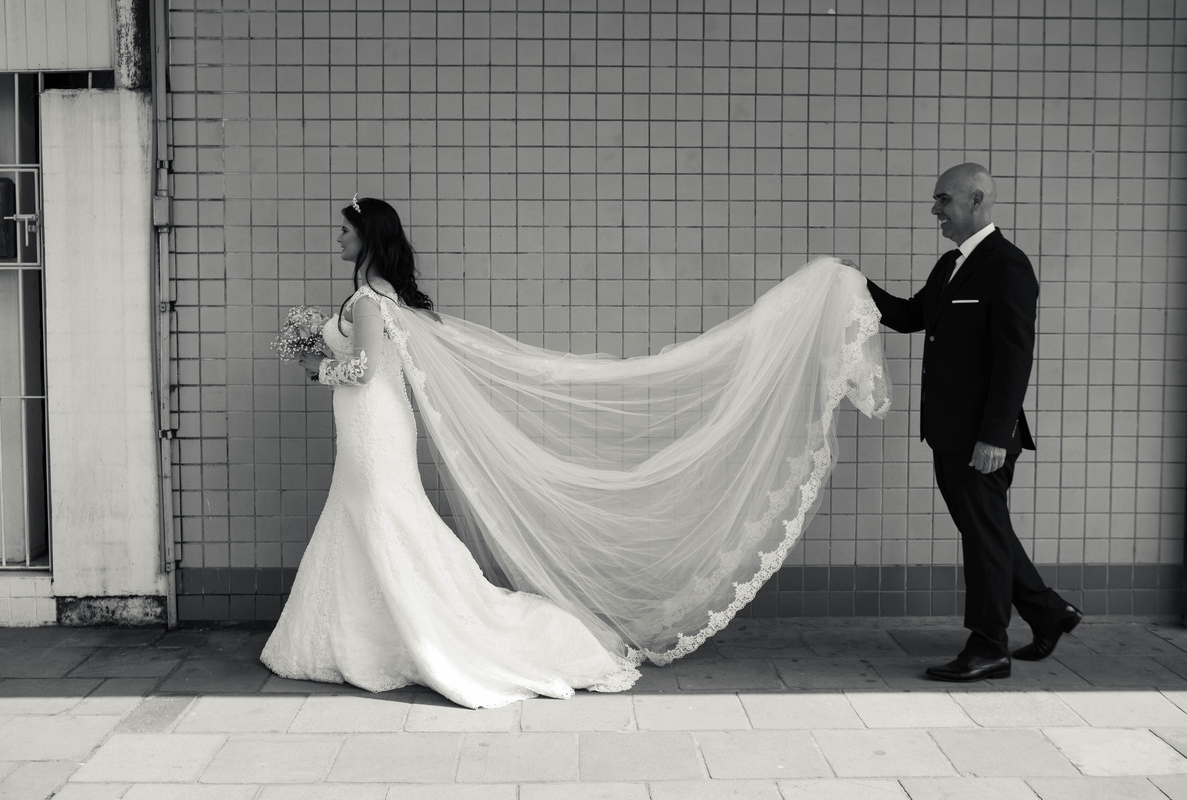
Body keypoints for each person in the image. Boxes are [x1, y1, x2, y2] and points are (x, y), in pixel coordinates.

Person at [260, 195, 892, 708]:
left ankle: (414, 634)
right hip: (372, 428)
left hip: (373, 428)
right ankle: (366, 635)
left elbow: (365, 370)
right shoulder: (383, 298)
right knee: (373, 521)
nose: (336, 239)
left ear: (368, 236)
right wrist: (315, 347)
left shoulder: (370, 301)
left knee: (384, 520)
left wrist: (312, 364)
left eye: (344, 231)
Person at [861, 163, 1081, 682]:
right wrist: (857, 283)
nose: (935, 210)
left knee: (983, 537)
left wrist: (994, 436)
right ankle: (1048, 612)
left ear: (976, 199)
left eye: (943, 200)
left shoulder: (1008, 266)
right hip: (947, 431)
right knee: (988, 531)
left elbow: (1014, 359)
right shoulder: (950, 265)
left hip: (981, 437)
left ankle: (989, 646)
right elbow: (911, 316)